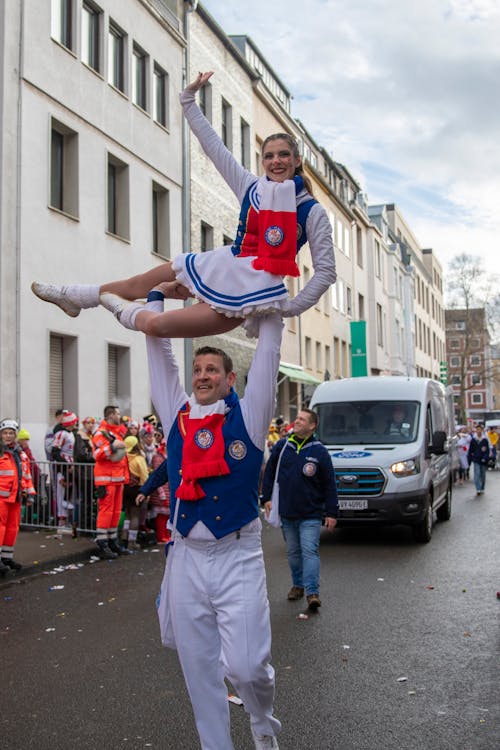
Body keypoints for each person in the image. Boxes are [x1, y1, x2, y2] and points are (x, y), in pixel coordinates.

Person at [31, 71, 336, 341]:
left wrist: (290, 307)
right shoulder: (250, 186)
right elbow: (214, 148)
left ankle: (114, 306)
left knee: (160, 326)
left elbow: (325, 272)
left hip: (250, 292)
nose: (276, 161)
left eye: (284, 155)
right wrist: (188, 100)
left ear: (297, 161)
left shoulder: (313, 211)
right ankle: (71, 295)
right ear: (263, 161)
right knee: (137, 282)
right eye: (269, 156)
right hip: (221, 264)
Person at [145, 285, 282, 750]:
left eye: (212, 370)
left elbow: (267, 357)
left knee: (246, 667)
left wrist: (272, 307)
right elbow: (161, 361)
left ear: (228, 380)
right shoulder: (177, 416)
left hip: (237, 554)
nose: (202, 376)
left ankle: (262, 721)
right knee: (199, 668)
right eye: (198, 369)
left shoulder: (250, 416)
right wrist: (154, 306)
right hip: (186, 556)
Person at [261, 409, 338, 610]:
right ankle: (298, 585)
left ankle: (312, 592)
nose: (297, 421)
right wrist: (266, 497)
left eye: (302, 420)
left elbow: (330, 483)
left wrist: (331, 512)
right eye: (297, 418)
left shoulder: (319, 451)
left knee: (309, 550)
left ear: (312, 426)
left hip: (311, 513)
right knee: (294, 553)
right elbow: (269, 472)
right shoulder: (283, 445)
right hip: (287, 512)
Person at [92, 405, 129, 559]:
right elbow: (97, 454)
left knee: (114, 512)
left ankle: (112, 541)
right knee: (105, 512)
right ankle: (102, 544)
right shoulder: (101, 433)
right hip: (106, 479)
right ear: (110, 415)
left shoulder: (115, 433)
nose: (119, 416)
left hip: (117, 479)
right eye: (118, 413)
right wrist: (113, 447)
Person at [0, 419, 35, 572]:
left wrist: (30, 494)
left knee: (12, 528)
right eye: (5, 433)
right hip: (1, 499)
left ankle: (6, 558)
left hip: (15, 498)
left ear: (15, 435)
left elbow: (26, 476)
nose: (8, 436)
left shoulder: (20, 454)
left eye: (11, 433)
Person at [122, 436, 149, 551]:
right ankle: (132, 542)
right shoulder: (139, 459)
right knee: (135, 515)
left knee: (127, 514)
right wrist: (147, 491)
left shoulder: (124, 457)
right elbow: (144, 476)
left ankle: (124, 536)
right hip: (136, 489)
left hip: (125, 488)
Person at [51, 411, 78, 529]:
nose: (76, 424)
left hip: (71, 466)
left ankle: (67, 520)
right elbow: (55, 452)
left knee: (68, 492)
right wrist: (67, 465)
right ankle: (61, 522)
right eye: (74, 422)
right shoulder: (61, 434)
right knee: (61, 493)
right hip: (63, 468)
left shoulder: (71, 433)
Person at [467, 423, 490, 495]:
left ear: (482, 430)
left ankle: (482, 487)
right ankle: (478, 489)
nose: (478, 431)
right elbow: (470, 451)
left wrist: (485, 458)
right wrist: (470, 460)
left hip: (483, 460)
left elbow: (487, 450)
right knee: (477, 474)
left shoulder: (484, 440)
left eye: (480, 429)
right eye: (477, 430)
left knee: (482, 475)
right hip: (476, 459)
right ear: (476, 431)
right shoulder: (473, 440)